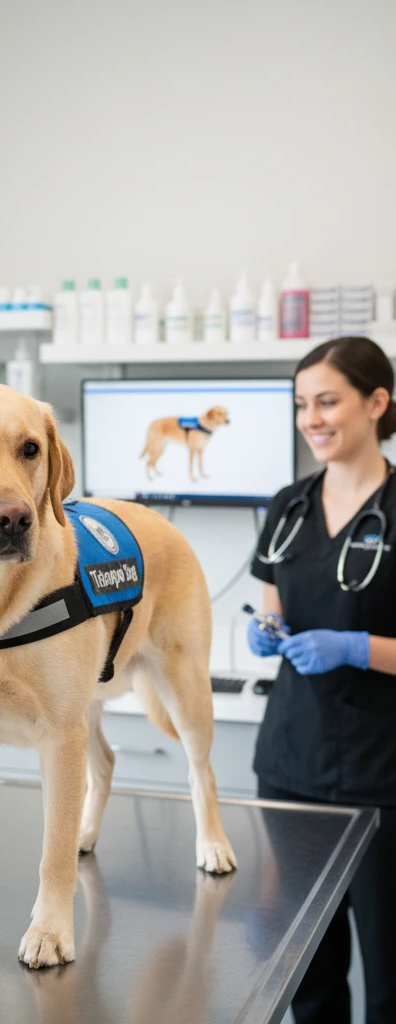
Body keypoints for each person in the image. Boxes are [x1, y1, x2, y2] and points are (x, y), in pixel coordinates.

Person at [247, 335, 396, 1024]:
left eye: (328, 401)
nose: (312, 418)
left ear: (376, 402)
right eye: (303, 403)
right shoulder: (289, 506)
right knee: (305, 969)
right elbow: (274, 609)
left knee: (391, 978)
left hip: (384, 778)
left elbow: (350, 639)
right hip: (291, 768)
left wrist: (359, 647)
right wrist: (264, 633)